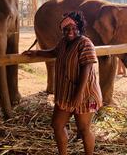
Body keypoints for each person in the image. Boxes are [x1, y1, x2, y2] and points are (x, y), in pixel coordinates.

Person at [23, 11, 102, 155]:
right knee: (57, 125)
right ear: (62, 30)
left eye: (73, 28)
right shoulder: (64, 42)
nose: (70, 31)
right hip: (66, 93)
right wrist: (37, 53)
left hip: (85, 94)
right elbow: (54, 52)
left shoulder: (85, 43)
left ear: (79, 27)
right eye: (66, 29)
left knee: (84, 130)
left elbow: (87, 69)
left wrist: (78, 95)